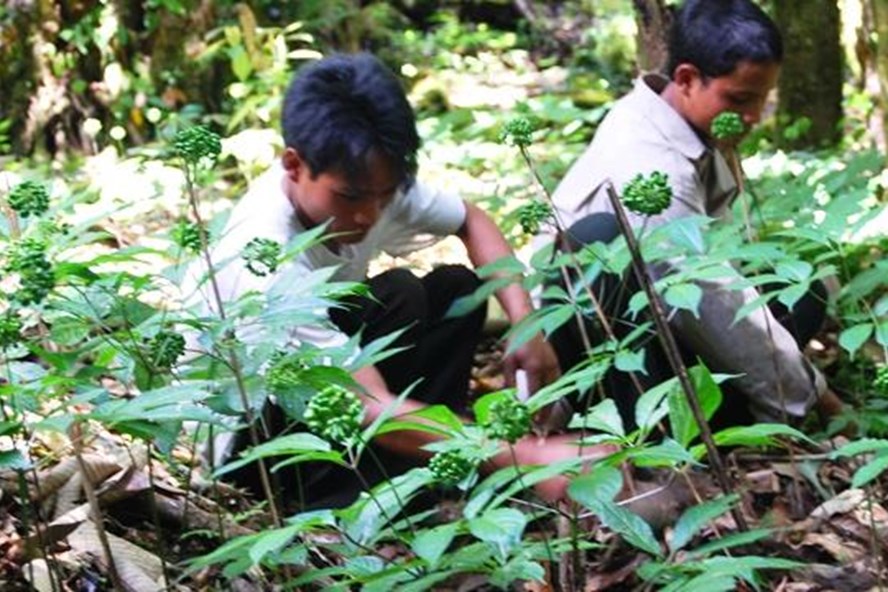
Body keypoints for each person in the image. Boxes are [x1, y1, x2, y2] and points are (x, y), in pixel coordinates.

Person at [186, 53, 610, 508]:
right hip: (256, 443)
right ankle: (362, 487)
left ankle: (429, 458)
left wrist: (526, 325)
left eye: (384, 195)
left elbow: (472, 219)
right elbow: (366, 405)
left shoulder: (366, 180)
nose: (368, 214)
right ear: (294, 165)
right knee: (403, 301)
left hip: (340, 374)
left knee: (450, 290)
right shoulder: (262, 260)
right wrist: (523, 457)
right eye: (350, 197)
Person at [539, 0, 845, 428]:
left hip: (669, 323)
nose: (753, 116)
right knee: (601, 237)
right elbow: (708, 298)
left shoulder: (684, 126)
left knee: (800, 285)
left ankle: (726, 415)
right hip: (599, 358)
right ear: (686, 79)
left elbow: (725, 277)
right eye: (739, 99)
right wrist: (815, 397)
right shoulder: (653, 164)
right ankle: (653, 435)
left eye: (761, 99)